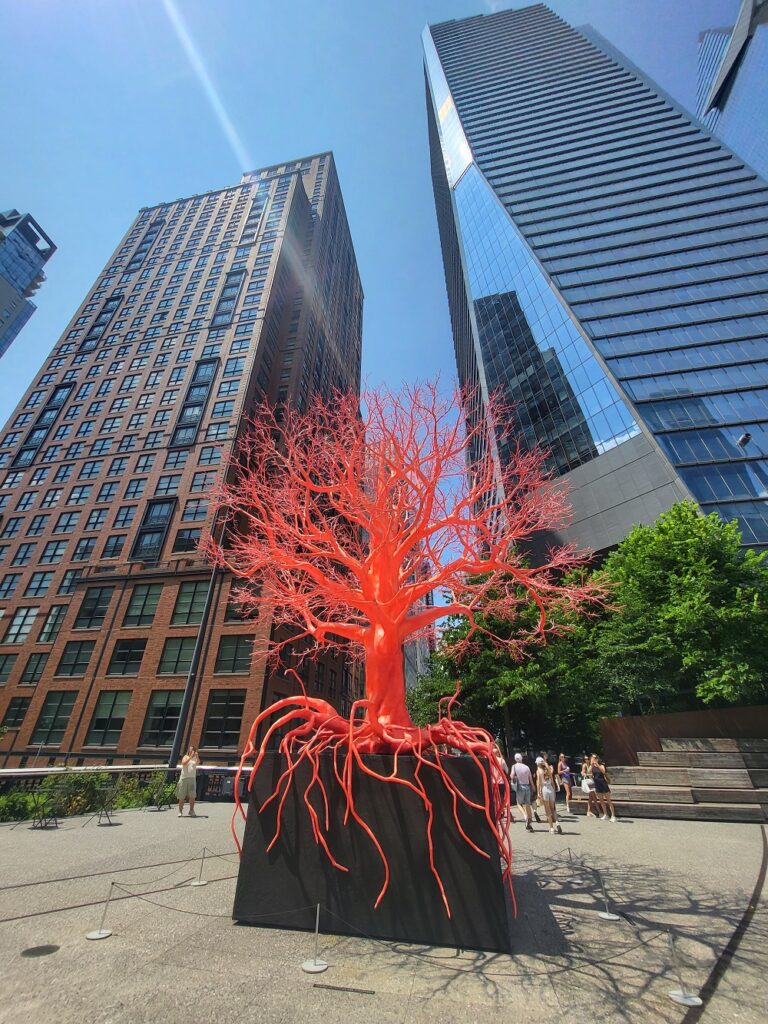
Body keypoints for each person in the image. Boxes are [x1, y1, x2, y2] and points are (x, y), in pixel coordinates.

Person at [536, 755, 562, 834]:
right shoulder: (548, 769)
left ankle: (551, 828)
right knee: (553, 808)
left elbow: (538, 783)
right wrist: (554, 789)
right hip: (550, 787)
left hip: (544, 789)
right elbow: (552, 781)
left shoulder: (538, 771)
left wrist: (538, 792)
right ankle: (557, 822)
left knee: (547, 810)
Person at [510, 753, 535, 832]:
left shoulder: (514, 766)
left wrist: (514, 777)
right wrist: (533, 788)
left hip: (520, 786)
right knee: (528, 805)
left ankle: (525, 816)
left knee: (519, 804)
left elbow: (511, 776)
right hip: (527, 786)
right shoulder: (526, 767)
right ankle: (530, 824)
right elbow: (530, 779)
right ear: (521, 759)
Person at [590, 754, 617, 821]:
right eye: (592, 758)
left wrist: (597, 764)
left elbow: (603, 771)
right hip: (597, 785)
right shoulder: (592, 767)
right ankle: (605, 814)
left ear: (597, 759)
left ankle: (613, 816)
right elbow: (589, 772)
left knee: (608, 800)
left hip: (603, 784)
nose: (593, 759)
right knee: (601, 801)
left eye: (595, 758)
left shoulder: (601, 765)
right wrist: (591, 765)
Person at [177, 744, 200, 817]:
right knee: (182, 796)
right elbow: (183, 763)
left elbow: (198, 763)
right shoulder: (185, 757)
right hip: (184, 778)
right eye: (190, 749)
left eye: (193, 750)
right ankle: (180, 811)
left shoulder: (194, 759)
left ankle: (191, 810)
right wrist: (190, 757)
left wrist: (196, 756)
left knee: (192, 796)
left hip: (192, 779)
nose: (191, 751)